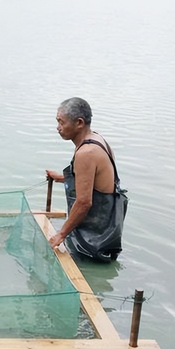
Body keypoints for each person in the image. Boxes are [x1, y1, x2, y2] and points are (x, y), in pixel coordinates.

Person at [45, 97, 128, 262]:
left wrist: (60, 234)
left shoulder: (86, 152)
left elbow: (84, 202)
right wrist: (61, 178)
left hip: (93, 240)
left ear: (79, 123)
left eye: (61, 122)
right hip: (108, 233)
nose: (58, 127)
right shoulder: (97, 139)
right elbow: (94, 181)